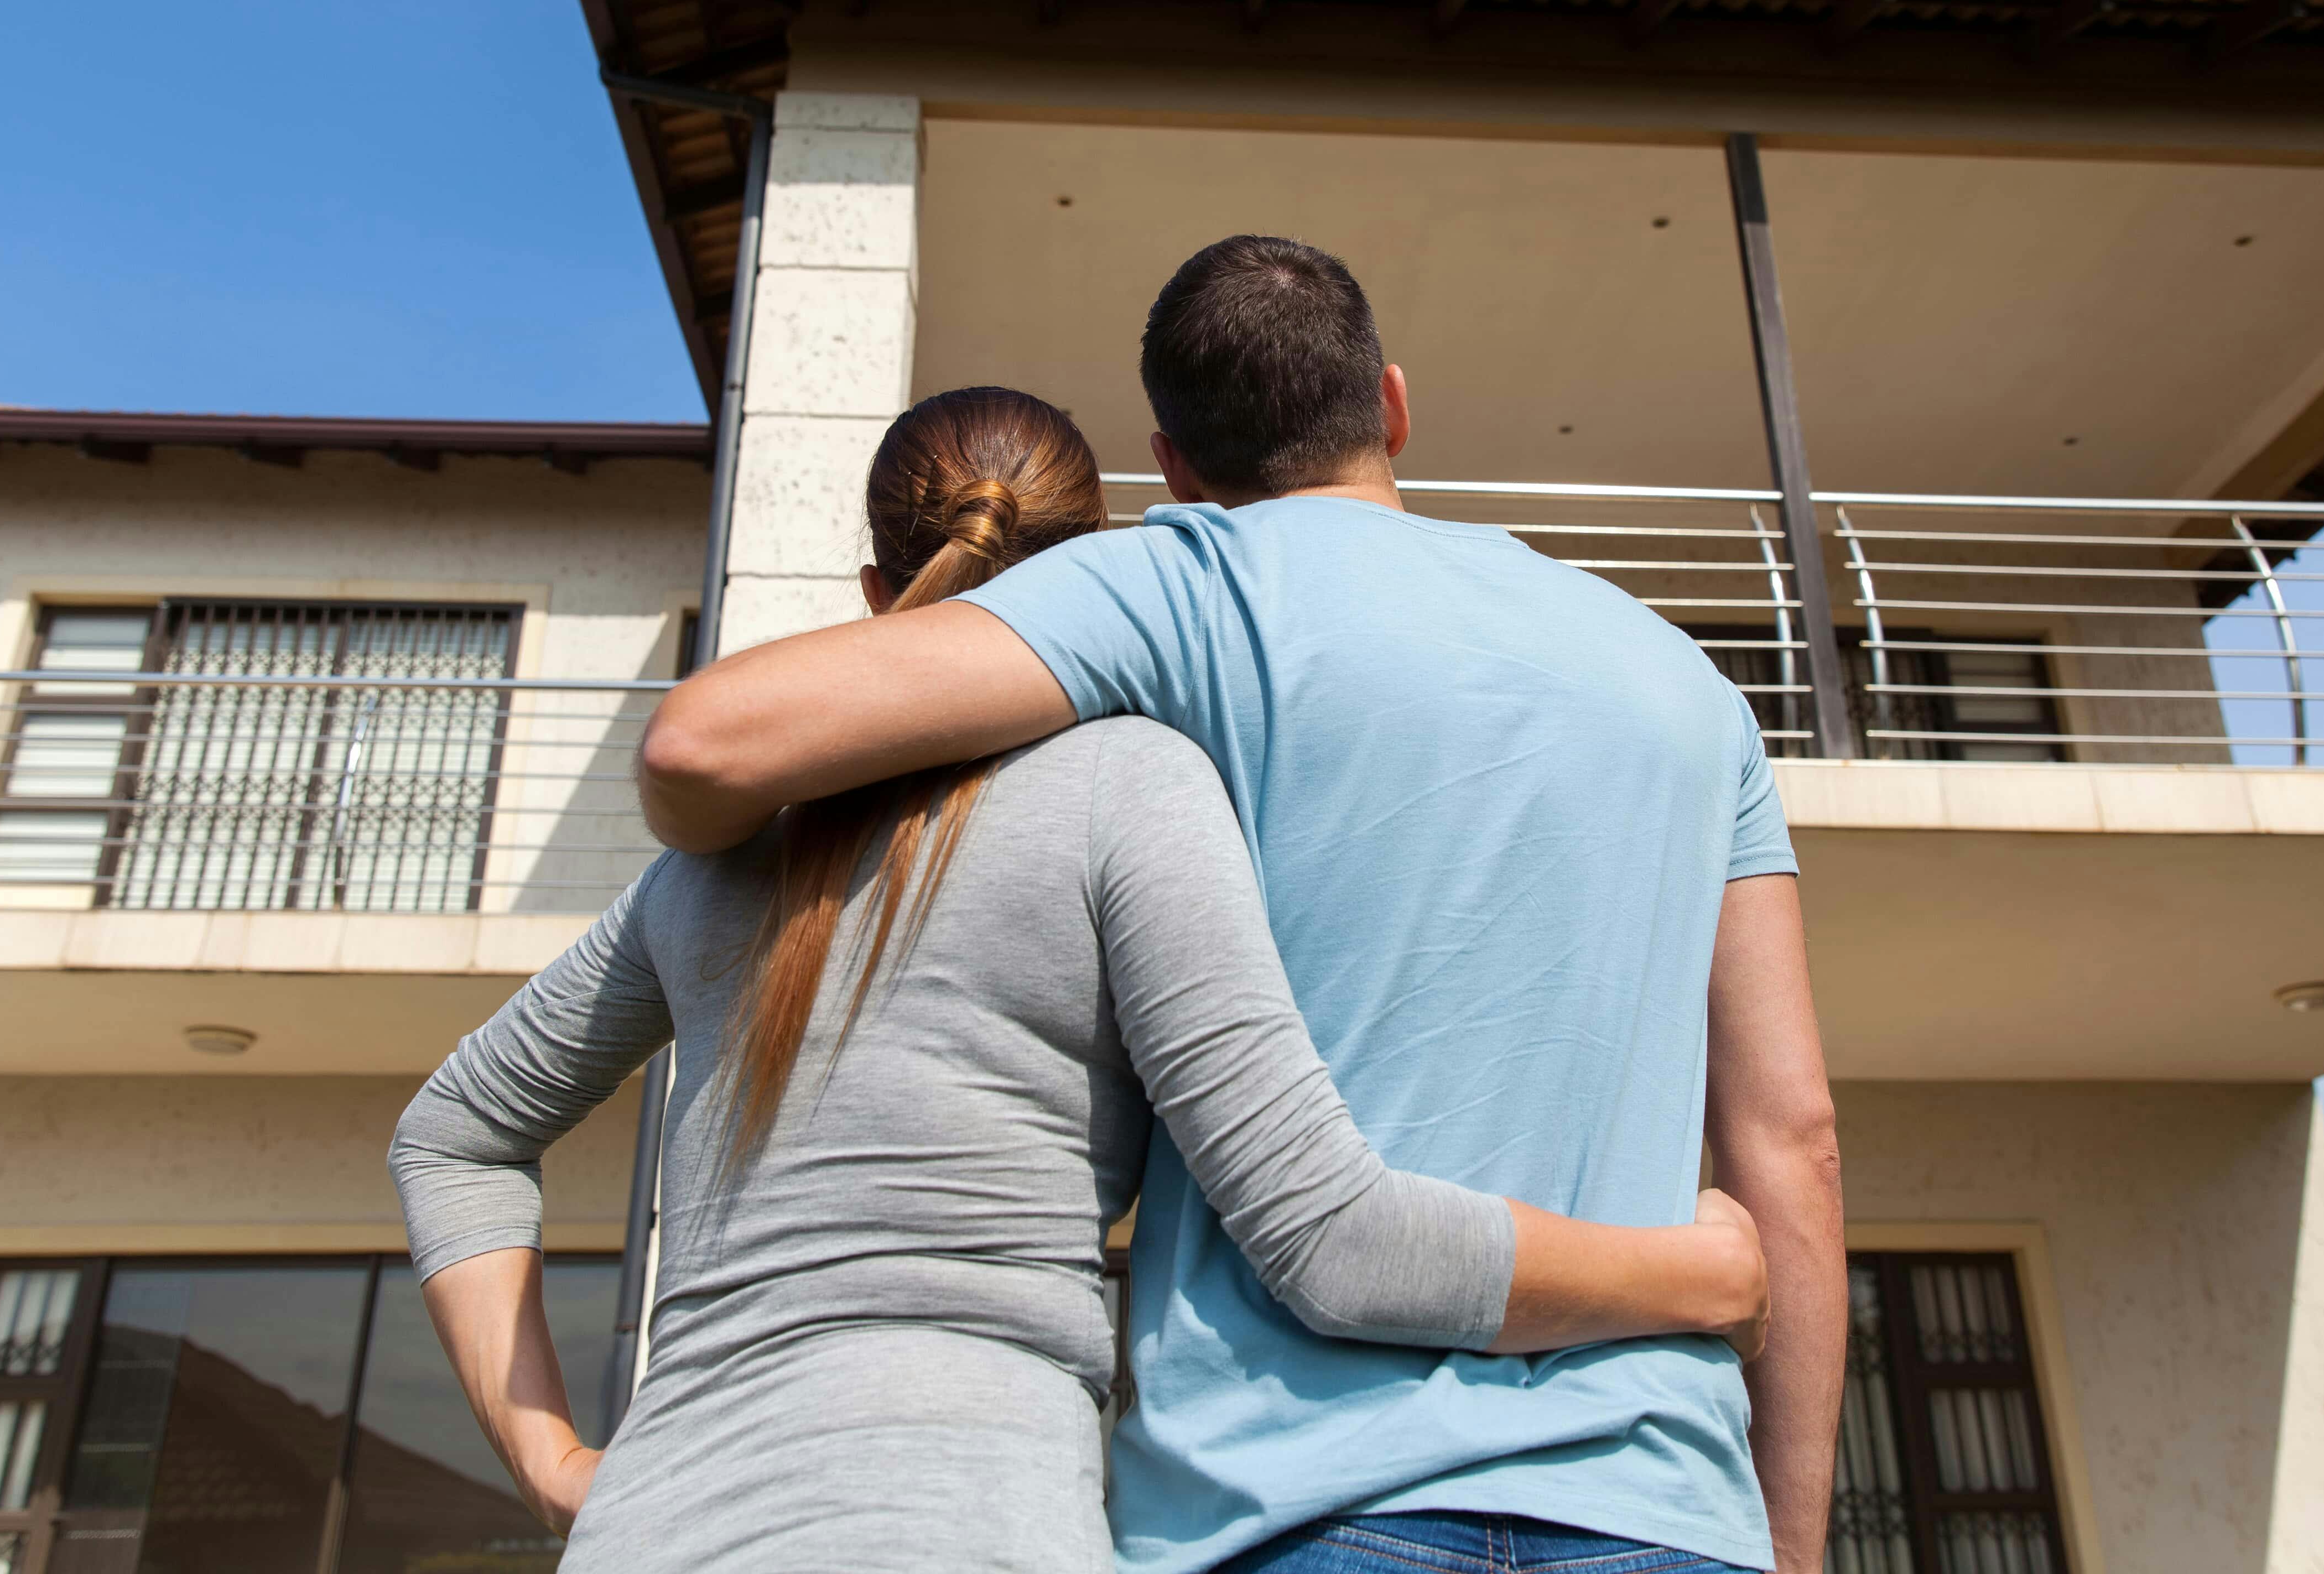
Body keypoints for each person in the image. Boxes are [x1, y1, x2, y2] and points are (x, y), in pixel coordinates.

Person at [393, 385, 1772, 1574]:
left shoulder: (715, 866)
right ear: (1085, 584)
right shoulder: (1130, 790)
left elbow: (453, 1131)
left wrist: (557, 1455)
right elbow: (1335, 1243)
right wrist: (1695, 1275)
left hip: (649, 1531)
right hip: (974, 1527)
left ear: (880, 598)